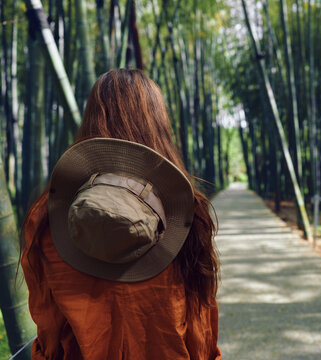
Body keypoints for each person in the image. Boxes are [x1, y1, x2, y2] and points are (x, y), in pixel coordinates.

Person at [20, 69, 221, 359]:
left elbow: (48, 329)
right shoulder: (186, 215)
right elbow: (200, 332)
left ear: (91, 121)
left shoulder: (46, 219)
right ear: (157, 123)